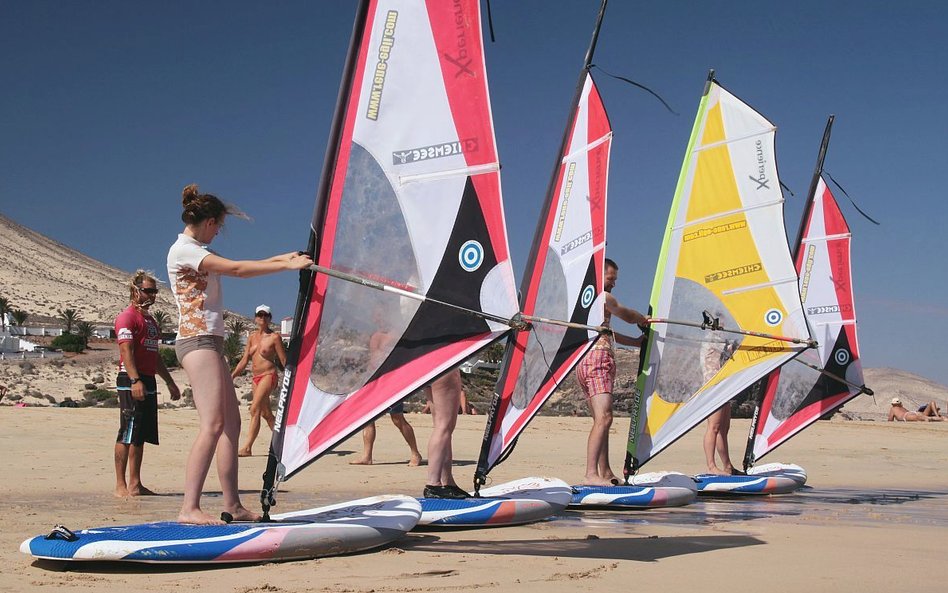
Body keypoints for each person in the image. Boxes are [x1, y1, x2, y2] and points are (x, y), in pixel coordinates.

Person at [167, 184, 312, 525]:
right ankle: (189, 508)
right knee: (213, 424)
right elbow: (236, 269)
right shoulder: (185, 250)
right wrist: (284, 267)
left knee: (231, 424)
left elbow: (244, 264)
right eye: (218, 226)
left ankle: (232, 505)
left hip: (211, 343)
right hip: (196, 341)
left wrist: (287, 259)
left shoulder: (197, 249)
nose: (218, 232)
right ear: (208, 221)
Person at [575, 258, 648, 486]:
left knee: (601, 420)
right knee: (605, 418)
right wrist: (643, 319)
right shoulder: (602, 297)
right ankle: (591, 474)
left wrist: (637, 342)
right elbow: (626, 314)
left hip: (583, 361)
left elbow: (606, 333)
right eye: (610, 279)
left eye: (615, 280)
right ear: (600, 276)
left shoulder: (583, 301)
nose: (614, 284)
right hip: (597, 361)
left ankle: (605, 472)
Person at [114, 271, 181, 497]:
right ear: (135, 290)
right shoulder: (127, 317)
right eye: (148, 291)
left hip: (149, 378)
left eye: (155, 291)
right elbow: (126, 350)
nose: (153, 295)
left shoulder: (150, 320)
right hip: (131, 379)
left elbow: (156, 355)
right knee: (128, 431)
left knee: (141, 434)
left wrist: (170, 382)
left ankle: (135, 483)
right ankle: (120, 485)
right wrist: (135, 380)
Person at [350, 320, 423, 466]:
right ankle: (367, 456)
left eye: (379, 315)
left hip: (391, 382)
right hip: (373, 380)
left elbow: (402, 357)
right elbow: (370, 358)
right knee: (367, 419)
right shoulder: (374, 335)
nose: (376, 318)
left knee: (397, 419)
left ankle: (415, 453)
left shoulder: (396, 335)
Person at [231, 305, 285, 457]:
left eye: (265, 315)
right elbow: (244, 360)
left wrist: (291, 377)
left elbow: (283, 359)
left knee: (254, 408)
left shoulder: (275, 337)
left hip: (269, 375)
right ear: (255, 317)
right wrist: (232, 376)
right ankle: (282, 444)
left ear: (270, 318)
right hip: (255, 377)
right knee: (266, 413)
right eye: (259, 315)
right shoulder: (252, 337)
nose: (262, 318)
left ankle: (247, 448)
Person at [422, 368, 469, 498]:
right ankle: (433, 484)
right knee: (444, 426)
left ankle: (447, 482)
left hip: (427, 367)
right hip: (445, 366)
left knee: (440, 425)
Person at [701, 338, 742, 475]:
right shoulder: (713, 339)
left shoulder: (725, 337)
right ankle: (711, 466)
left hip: (724, 385)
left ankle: (727, 466)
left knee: (724, 428)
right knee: (714, 427)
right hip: (713, 386)